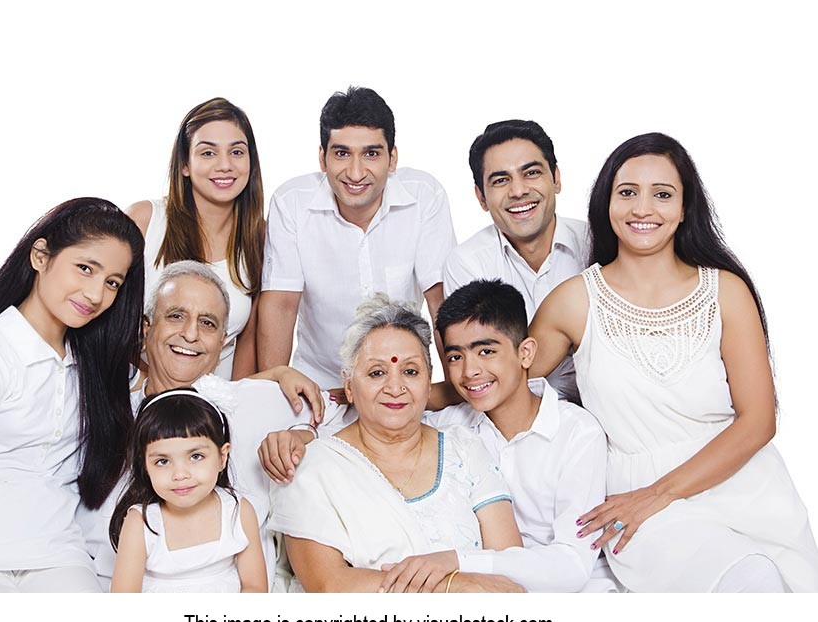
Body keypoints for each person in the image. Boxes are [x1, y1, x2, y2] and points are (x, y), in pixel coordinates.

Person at [530, 132, 818, 592]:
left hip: (747, 486)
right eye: (627, 193)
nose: (643, 209)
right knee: (750, 579)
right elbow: (497, 380)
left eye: (662, 194)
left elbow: (759, 420)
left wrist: (657, 494)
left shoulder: (726, 291)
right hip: (642, 506)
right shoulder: (573, 302)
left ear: (685, 208)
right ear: (607, 203)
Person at [76, 260, 352, 591]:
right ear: (146, 329)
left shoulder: (254, 401)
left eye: (207, 324)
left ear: (223, 342)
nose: (190, 334)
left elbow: (354, 414)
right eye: (176, 316)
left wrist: (305, 435)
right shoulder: (106, 414)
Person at [0, 198, 145, 592]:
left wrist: (274, 374)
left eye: (112, 282)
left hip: (53, 549)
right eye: (85, 268)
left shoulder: (96, 367)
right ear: (41, 256)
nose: (95, 294)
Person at [268, 295, 525, 592]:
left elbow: (509, 567)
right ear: (349, 386)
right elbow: (330, 585)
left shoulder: (464, 449)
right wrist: (454, 587)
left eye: (411, 371)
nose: (395, 387)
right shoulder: (312, 468)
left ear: (429, 382)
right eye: (377, 373)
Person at [376, 280, 617, 592]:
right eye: (455, 357)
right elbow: (376, 423)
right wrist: (303, 433)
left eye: (486, 351)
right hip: (482, 595)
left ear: (526, 353)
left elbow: (573, 565)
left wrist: (459, 562)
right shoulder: (450, 426)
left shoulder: (578, 434)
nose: (469, 371)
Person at [258, 86, 456, 389]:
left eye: (371, 154)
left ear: (392, 159)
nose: (355, 172)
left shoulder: (424, 196)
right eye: (341, 153)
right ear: (323, 159)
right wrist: (272, 397)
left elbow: (440, 300)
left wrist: (453, 389)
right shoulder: (291, 203)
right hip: (319, 386)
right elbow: (281, 304)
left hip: (401, 385)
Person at [443, 120, 587, 403]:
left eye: (531, 173)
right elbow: (479, 371)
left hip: (601, 416)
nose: (518, 190)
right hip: (508, 418)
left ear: (556, 178)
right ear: (481, 197)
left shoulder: (597, 244)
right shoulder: (468, 263)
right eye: (500, 180)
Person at [126, 97, 265, 379]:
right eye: (208, 153)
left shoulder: (261, 236)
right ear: (185, 165)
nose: (225, 165)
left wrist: (234, 409)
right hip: (134, 393)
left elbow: (248, 340)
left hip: (211, 405)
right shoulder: (145, 221)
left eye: (237, 152)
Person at [110, 390, 267, 592]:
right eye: (163, 461)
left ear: (222, 457)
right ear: (145, 467)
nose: (180, 474)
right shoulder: (140, 522)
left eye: (195, 457)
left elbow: (255, 587)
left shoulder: (238, 511)